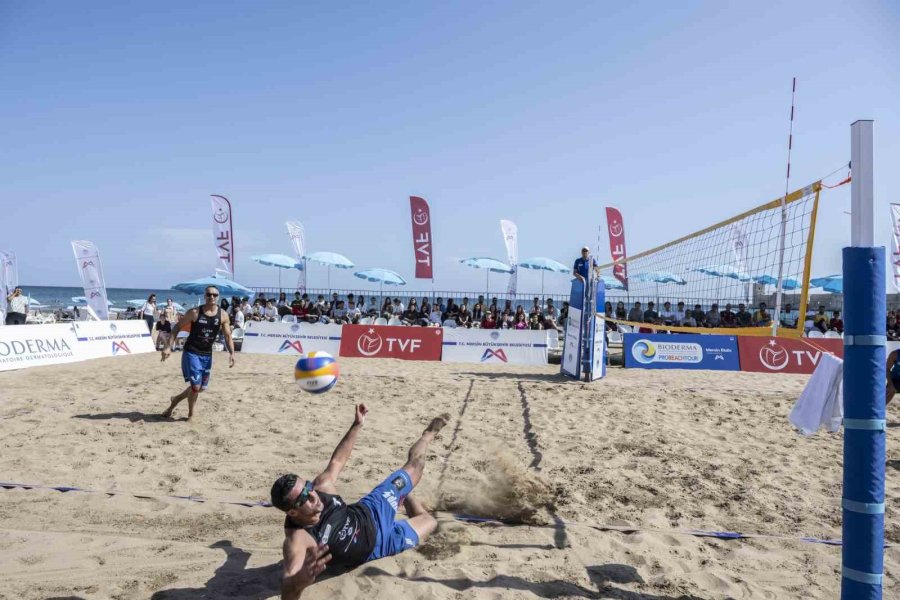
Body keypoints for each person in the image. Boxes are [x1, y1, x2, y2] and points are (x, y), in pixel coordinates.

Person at [271, 407, 448, 599]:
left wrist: (357, 425)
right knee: (430, 522)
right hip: (379, 545)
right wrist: (297, 581)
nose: (312, 495)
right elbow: (288, 585)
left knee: (416, 465)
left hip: (372, 509)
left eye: (307, 487)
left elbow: (337, 461)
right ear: (293, 513)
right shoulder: (298, 539)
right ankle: (406, 498)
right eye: (303, 498)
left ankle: (428, 435)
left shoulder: (322, 487)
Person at [160, 286, 235, 421]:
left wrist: (232, 353)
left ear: (218, 296)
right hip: (192, 352)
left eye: (214, 294)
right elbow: (177, 327)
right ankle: (191, 415)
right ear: (205, 296)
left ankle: (176, 400)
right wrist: (167, 347)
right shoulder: (194, 312)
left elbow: (228, 335)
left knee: (200, 388)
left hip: (207, 354)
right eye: (209, 294)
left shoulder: (223, 315)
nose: (211, 297)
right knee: (195, 386)